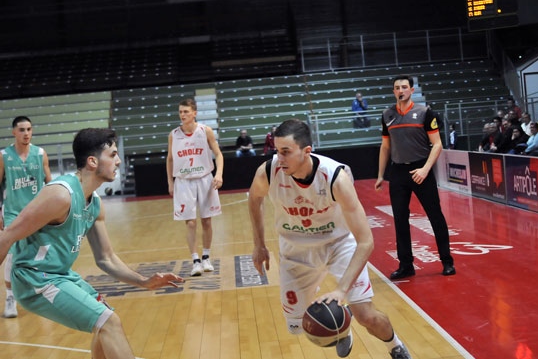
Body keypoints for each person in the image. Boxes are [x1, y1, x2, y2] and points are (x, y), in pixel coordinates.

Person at [0, 128, 183, 358]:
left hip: (60, 275)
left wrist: (143, 282)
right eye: (113, 154)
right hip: (34, 278)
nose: (118, 161)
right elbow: (6, 236)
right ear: (93, 161)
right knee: (108, 322)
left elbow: (106, 258)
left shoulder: (94, 203)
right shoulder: (60, 195)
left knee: (104, 320)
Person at [248, 119, 412, 359]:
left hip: (339, 245)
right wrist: (259, 245)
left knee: (366, 315)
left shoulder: (336, 177)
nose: (279, 158)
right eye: (276, 151)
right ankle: (342, 328)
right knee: (298, 326)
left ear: (306, 151)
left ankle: (395, 346)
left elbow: (366, 241)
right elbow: (254, 199)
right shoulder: (268, 172)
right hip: (295, 251)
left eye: (285, 152)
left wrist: (341, 290)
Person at [375, 75, 455, 280]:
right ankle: (406, 265)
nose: (400, 90)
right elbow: (385, 147)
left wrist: (425, 169)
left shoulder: (425, 113)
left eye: (404, 87)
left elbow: (437, 144)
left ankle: (447, 261)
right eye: (396, 88)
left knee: (435, 216)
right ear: (393, 91)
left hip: (422, 170)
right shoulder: (387, 115)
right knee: (400, 220)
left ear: (411, 90)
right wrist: (380, 175)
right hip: (398, 172)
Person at [0, 116, 52, 318]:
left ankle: (40, 292)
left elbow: (50, 184)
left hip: (37, 211)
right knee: (12, 254)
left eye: (29, 129)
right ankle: (10, 297)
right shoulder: (4, 156)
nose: (26, 133)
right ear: (13, 132)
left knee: (40, 252)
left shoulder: (40, 154)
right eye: (21, 130)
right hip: (13, 212)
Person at [166, 98, 224, 276]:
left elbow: (218, 154)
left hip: (205, 179)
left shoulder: (205, 131)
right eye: (180, 112)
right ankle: (195, 261)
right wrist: (170, 181)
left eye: (186, 112)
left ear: (194, 113)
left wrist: (219, 174)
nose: (182, 115)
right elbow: (169, 159)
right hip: (183, 181)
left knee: (207, 220)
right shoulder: (173, 134)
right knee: (190, 223)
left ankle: (206, 257)